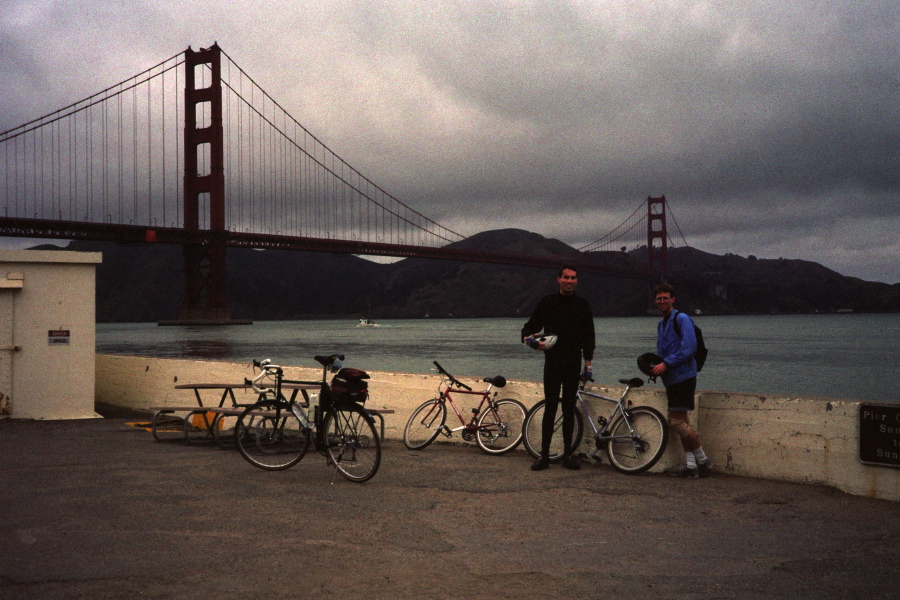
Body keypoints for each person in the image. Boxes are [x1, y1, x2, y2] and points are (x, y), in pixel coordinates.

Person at [521, 265, 594, 471]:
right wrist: (530, 341)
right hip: (552, 362)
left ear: (576, 281)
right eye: (566, 277)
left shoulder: (582, 304)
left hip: (573, 362)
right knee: (550, 408)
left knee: (569, 409)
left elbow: (589, 335)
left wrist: (588, 363)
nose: (569, 281)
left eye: (573, 278)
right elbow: (529, 328)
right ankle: (544, 457)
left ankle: (568, 456)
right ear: (559, 279)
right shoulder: (548, 302)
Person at [651, 283, 713, 478]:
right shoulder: (662, 324)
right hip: (672, 378)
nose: (662, 301)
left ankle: (703, 461)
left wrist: (666, 364)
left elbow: (689, 348)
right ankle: (691, 466)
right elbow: (665, 352)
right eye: (659, 298)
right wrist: (657, 367)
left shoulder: (682, 318)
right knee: (682, 421)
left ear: (673, 299)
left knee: (676, 422)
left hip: (684, 376)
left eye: (665, 298)